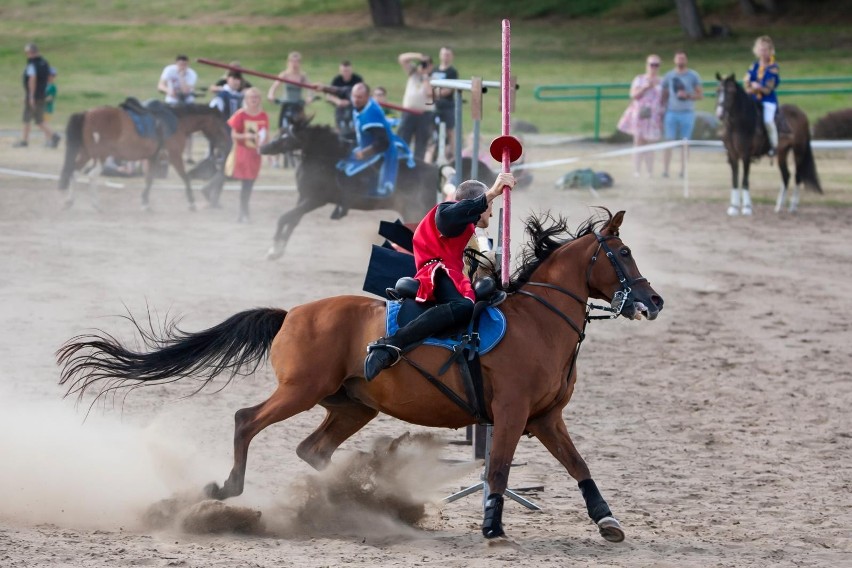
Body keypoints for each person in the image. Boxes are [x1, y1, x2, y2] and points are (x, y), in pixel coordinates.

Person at [363, 172, 516, 381]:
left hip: (451, 274)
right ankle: (391, 345)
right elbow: (448, 218)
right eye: (489, 207)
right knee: (463, 306)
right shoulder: (446, 212)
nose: (490, 213)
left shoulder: (467, 227)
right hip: (437, 272)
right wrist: (490, 194)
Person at [617, 54, 665, 178]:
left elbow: (664, 99)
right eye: (651, 64)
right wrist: (646, 87)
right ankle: (637, 171)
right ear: (647, 65)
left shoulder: (662, 81)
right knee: (638, 142)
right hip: (639, 114)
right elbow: (633, 95)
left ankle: (650, 171)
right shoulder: (639, 79)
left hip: (654, 116)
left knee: (651, 144)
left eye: (656, 65)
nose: (654, 67)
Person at [226, 88, 269, 223]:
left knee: (249, 183)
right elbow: (233, 134)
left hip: (256, 153)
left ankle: (243, 213)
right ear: (246, 99)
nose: (254, 100)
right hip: (243, 151)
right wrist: (246, 135)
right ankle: (244, 213)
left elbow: (266, 134)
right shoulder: (241, 115)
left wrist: (266, 147)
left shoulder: (263, 116)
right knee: (246, 183)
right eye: (251, 97)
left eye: (256, 97)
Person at [660, 51, 703, 178]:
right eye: (678, 58)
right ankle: (665, 170)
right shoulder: (669, 76)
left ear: (686, 60)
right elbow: (664, 94)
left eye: (683, 58)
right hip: (671, 112)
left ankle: (683, 170)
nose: (680, 61)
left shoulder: (693, 76)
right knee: (668, 141)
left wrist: (688, 96)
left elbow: (700, 95)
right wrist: (663, 108)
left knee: (685, 143)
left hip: (687, 113)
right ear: (674, 60)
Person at [14, 43, 60, 148]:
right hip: (41, 95)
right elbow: (48, 78)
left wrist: (31, 96)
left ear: (30, 52)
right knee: (39, 120)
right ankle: (54, 136)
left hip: (33, 96)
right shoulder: (44, 63)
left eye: (27, 53)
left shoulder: (32, 64)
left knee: (27, 119)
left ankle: (24, 141)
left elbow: (32, 79)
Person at [744, 35, 781, 157]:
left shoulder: (773, 67)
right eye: (761, 49)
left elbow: (769, 86)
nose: (763, 52)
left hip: (767, 100)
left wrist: (758, 87)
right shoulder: (754, 66)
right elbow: (747, 80)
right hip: (753, 99)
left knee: (768, 121)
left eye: (765, 50)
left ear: (770, 51)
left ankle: (774, 145)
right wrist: (751, 85)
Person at [159, 54, 199, 162]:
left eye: (185, 64)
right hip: (172, 102)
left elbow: (186, 90)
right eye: (180, 64)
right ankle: (167, 153)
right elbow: (161, 85)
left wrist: (181, 76)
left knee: (188, 130)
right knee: (169, 127)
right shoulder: (169, 70)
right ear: (176, 63)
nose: (182, 66)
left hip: (187, 103)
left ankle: (189, 155)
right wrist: (168, 91)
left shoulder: (191, 74)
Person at [397, 52, 435, 162]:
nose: (423, 66)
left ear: (431, 66)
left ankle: (418, 164)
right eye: (422, 64)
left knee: (421, 143)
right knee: (403, 139)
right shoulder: (413, 74)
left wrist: (425, 77)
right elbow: (402, 58)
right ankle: (400, 162)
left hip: (424, 114)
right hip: (408, 112)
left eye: (426, 64)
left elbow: (430, 94)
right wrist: (419, 56)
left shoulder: (434, 78)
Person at [267, 51, 315, 131]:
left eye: (297, 62)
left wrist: (309, 97)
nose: (294, 64)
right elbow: (275, 86)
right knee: (284, 128)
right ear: (288, 63)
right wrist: (271, 94)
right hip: (287, 104)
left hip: (298, 105)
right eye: (292, 62)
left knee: (300, 129)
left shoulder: (302, 76)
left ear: (300, 63)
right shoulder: (284, 74)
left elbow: (310, 87)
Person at [431, 46, 459, 161]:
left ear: (451, 56)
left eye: (448, 54)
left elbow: (450, 89)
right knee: (432, 129)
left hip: (447, 104)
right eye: (443, 54)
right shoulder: (435, 70)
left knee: (450, 129)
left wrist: (436, 93)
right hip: (434, 104)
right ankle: (432, 152)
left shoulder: (452, 72)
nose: (445, 57)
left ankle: (453, 154)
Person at [327, 60, 364, 141]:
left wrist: (350, 102)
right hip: (340, 107)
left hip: (354, 106)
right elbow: (329, 96)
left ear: (351, 70)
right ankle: (340, 133)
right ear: (340, 71)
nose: (346, 73)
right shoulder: (337, 80)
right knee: (340, 124)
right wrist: (338, 101)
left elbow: (363, 95)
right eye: (344, 71)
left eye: (348, 71)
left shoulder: (357, 80)